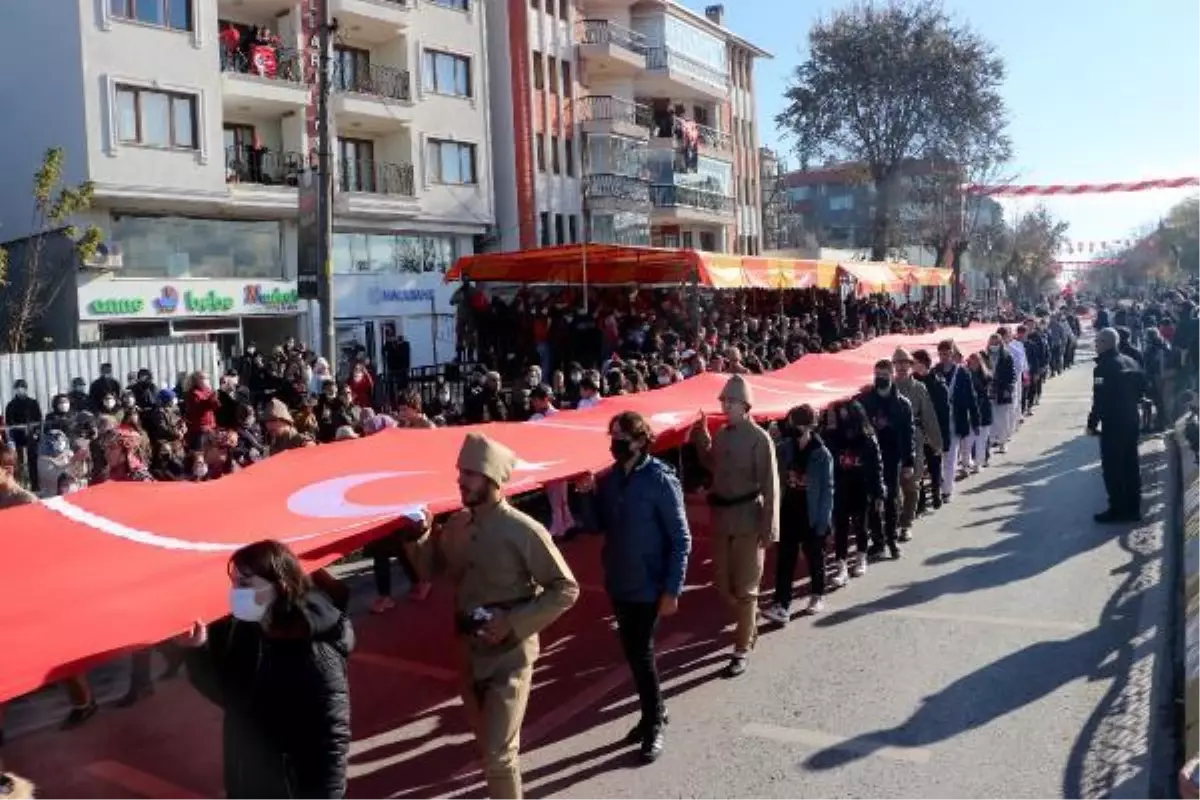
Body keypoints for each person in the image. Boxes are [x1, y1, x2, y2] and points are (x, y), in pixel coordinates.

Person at [408, 433, 579, 799]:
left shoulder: (523, 530)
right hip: (469, 653)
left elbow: (565, 588)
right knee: (487, 746)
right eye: (460, 472)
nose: (460, 480)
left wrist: (513, 623)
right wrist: (420, 536)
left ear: (492, 479)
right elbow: (431, 571)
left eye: (469, 473)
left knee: (499, 755)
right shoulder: (455, 525)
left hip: (510, 657)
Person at [177, 539, 354, 800]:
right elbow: (229, 696)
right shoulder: (247, 629)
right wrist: (196, 650)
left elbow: (331, 743)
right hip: (247, 782)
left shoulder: (315, 653)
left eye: (246, 584)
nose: (236, 592)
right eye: (234, 583)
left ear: (280, 587)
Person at [577, 411, 690, 763]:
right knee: (635, 652)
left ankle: (654, 721)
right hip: (620, 580)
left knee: (639, 652)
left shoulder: (659, 479)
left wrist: (672, 589)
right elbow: (595, 524)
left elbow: (680, 537)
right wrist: (585, 494)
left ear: (640, 441)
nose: (615, 443)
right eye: (612, 436)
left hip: (650, 584)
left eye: (621, 437)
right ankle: (655, 709)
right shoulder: (611, 480)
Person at [689, 374, 779, 678]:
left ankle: (740, 650)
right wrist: (702, 438)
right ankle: (749, 624)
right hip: (722, 518)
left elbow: (770, 485)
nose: (725, 405)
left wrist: (770, 527)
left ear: (745, 404)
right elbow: (712, 464)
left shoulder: (759, 438)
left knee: (746, 588)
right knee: (723, 584)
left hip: (748, 518)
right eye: (723, 401)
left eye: (730, 401)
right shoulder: (724, 435)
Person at [764, 404, 834, 621]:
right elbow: (772, 459)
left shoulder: (821, 454)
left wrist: (823, 522)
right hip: (790, 507)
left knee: (815, 555)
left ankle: (817, 594)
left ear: (808, 426)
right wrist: (771, 437)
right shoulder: (786, 447)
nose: (792, 428)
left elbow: (827, 490)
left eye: (795, 424)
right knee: (786, 557)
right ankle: (781, 604)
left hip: (811, 511)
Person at [857, 358, 914, 558]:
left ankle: (891, 539)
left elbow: (908, 435)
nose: (880, 379)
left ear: (892, 376)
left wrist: (908, 462)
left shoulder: (902, 404)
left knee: (891, 500)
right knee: (873, 499)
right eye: (877, 375)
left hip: (892, 457)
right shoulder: (865, 401)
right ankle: (878, 540)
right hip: (871, 457)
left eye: (884, 375)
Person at [1087, 327, 1144, 523]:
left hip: (1113, 423)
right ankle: (1134, 508)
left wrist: (1091, 424)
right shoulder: (1131, 361)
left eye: (1097, 342)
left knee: (1113, 468)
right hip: (1131, 419)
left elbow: (1100, 399)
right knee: (1131, 464)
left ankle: (1118, 508)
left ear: (1105, 343)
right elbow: (1142, 389)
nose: (1095, 345)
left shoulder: (1102, 367)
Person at [892, 348, 941, 540]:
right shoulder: (888, 387)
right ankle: (895, 519)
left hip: (914, 439)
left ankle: (906, 524)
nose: (902, 367)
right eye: (898, 363)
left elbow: (928, 415)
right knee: (893, 485)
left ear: (911, 366)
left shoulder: (919, 388)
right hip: (892, 441)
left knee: (912, 484)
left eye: (905, 363)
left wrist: (936, 442)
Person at [987, 334, 1018, 454]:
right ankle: (991, 440)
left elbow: (1012, 375)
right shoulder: (984, 356)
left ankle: (1002, 442)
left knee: (1002, 418)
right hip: (989, 391)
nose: (994, 345)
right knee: (991, 418)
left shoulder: (1006, 356)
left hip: (1002, 391)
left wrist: (1008, 388)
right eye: (992, 343)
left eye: (996, 343)